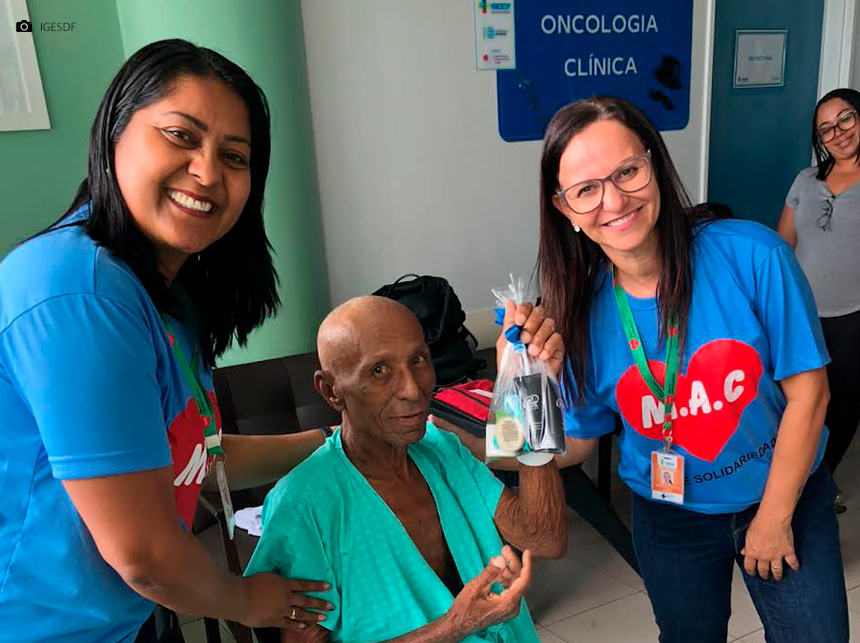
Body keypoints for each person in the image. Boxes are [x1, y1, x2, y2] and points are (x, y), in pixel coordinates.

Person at [0, 39, 334, 642]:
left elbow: (190, 457)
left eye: (234, 156)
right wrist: (244, 601)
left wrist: (329, 441)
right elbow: (144, 554)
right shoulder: (77, 291)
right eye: (181, 136)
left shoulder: (162, 296)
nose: (207, 172)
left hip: (125, 616)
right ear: (113, 134)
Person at [534, 96, 848, 642]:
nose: (614, 200)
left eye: (628, 171)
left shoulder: (751, 254)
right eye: (586, 190)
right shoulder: (578, 314)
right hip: (670, 517)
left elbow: (811, 395)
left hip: (785, 494)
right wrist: (527, 389)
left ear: (655, 164)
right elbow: (578, 445)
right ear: (567, 211)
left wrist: (773, 517)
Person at [244, 296, 567, 643]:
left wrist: (530, 386)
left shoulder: (441, 450)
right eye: (379, 370)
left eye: (418, 360)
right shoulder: (304, 506)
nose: (413, 389)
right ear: (331, 391)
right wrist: (454, 626)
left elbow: (543, 539)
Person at [778, 88, 860, 510]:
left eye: (845, 119)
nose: (838, 132)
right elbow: (782, 246)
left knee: (843, 404)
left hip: (853, 318)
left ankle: (818, 483)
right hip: (800, 314)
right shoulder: (806, 181)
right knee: (795, 399)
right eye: (826, 128)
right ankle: (792, 479)